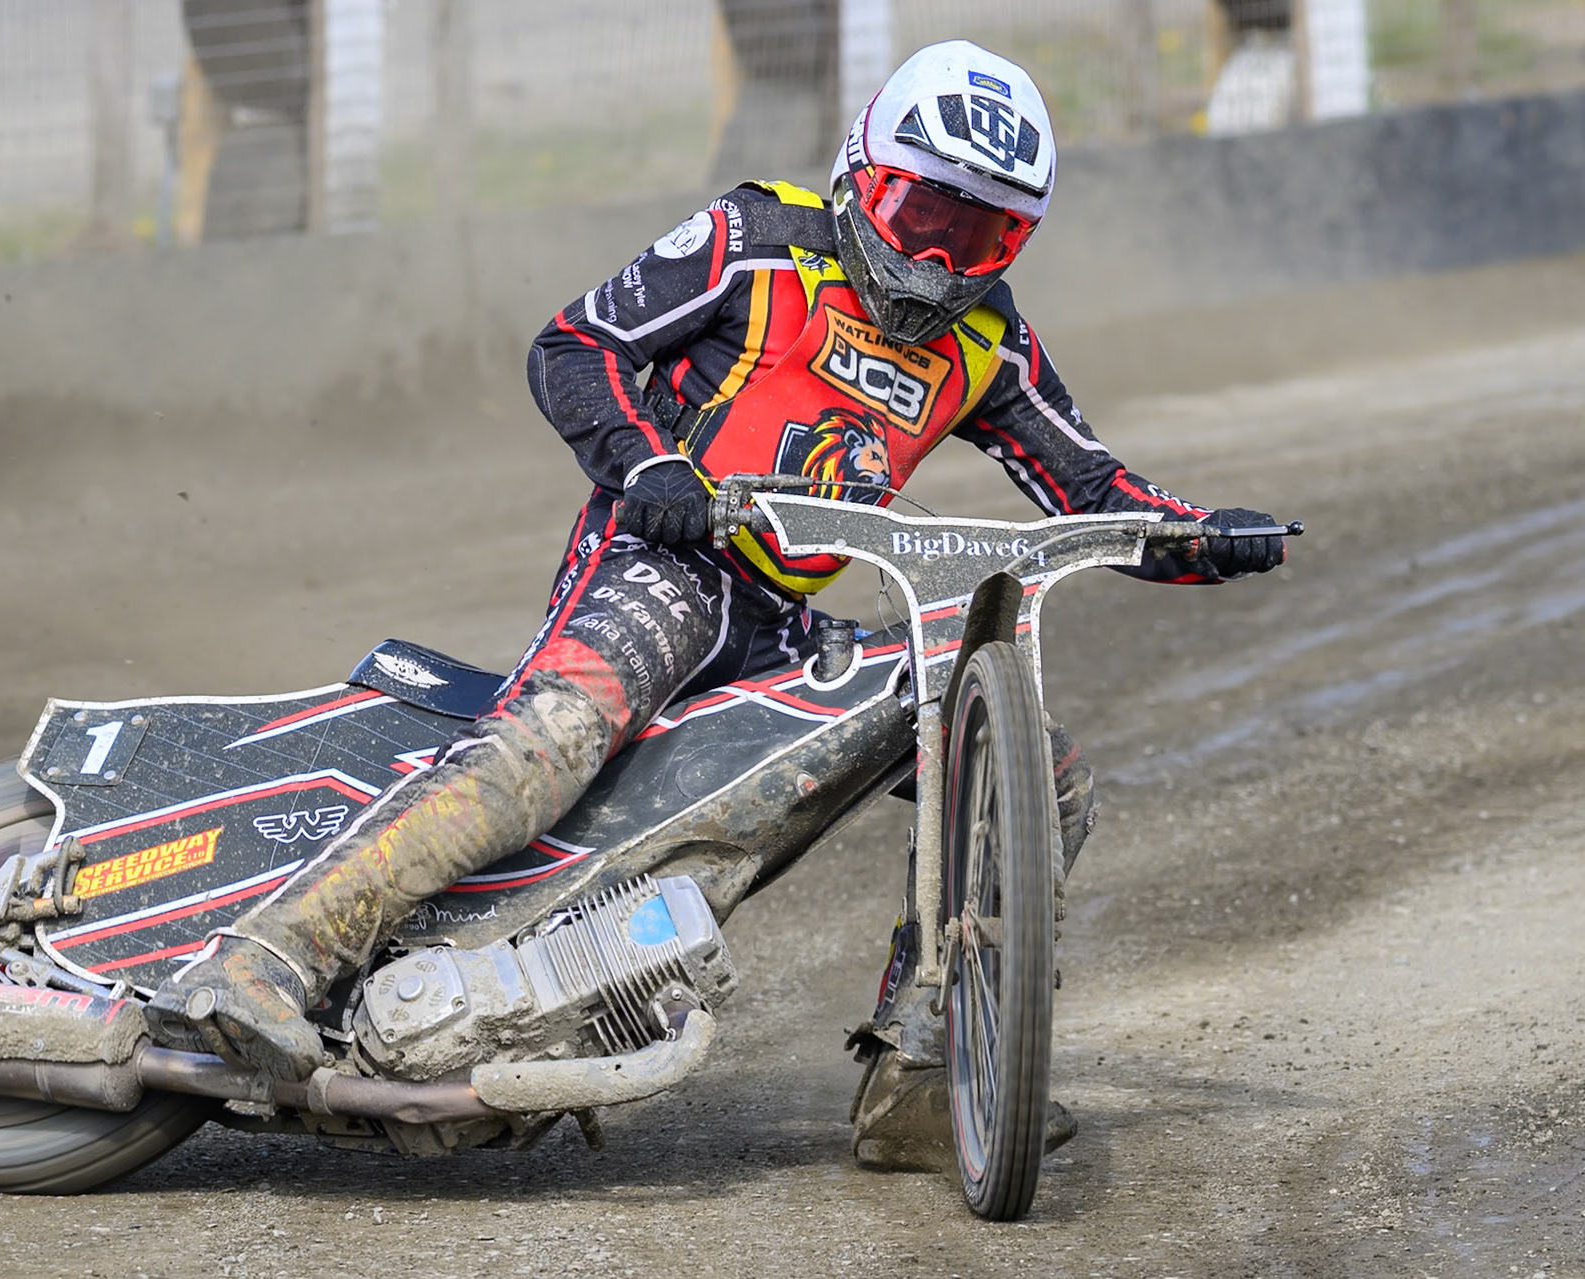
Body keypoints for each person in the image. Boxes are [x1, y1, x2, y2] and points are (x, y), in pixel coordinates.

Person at [148, 41, 1285, 1162]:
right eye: (926, 214)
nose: (943, 258)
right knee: (549, 743)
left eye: (982, 233)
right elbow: (576, 344)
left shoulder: (993, 342)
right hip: (659, 564)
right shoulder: (756, 241)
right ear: (866, 168)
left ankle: (921, 1079)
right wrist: (652, 467)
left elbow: (1093, 489)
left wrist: (1203, 535)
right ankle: (262, 961)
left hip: (788, 623)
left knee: (1048, 768)